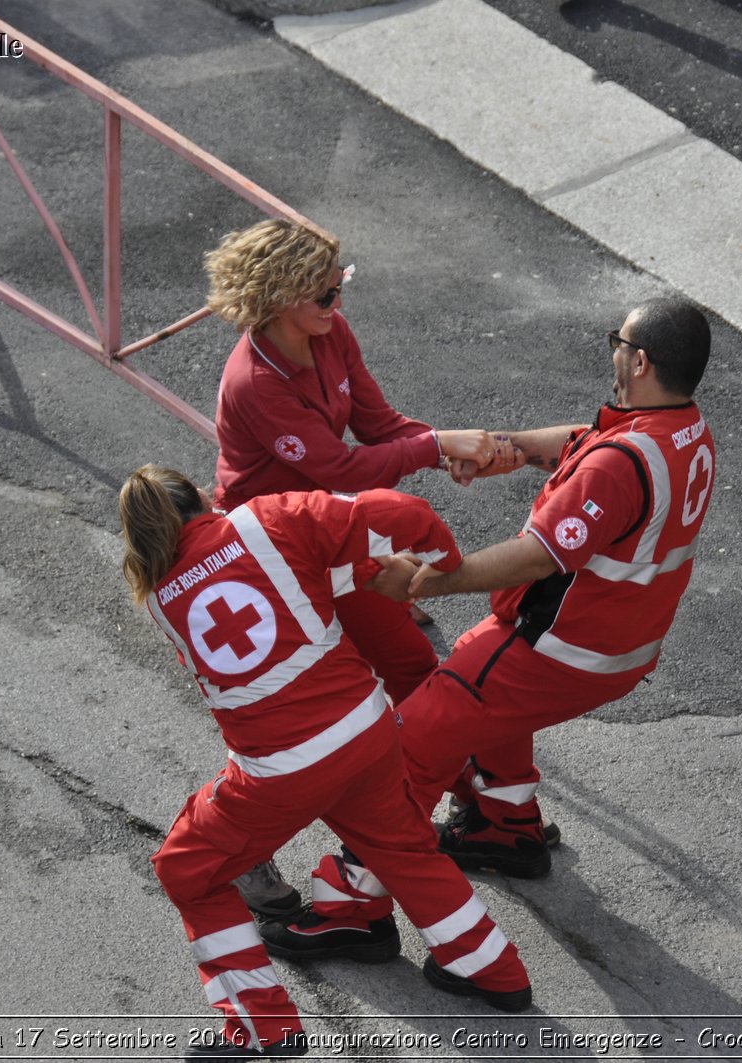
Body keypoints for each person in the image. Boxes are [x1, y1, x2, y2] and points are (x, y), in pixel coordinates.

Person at [292, 297, 716, 938]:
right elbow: (587, 440)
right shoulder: (683, 431)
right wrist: (506, 449)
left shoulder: (620, 465)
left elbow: (537, 557)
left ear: (638, 360)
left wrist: (426, 583)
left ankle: (352, 906)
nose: (612, 351)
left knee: (418, 734)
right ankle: (506, 826)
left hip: (561, 647)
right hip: (619, 647)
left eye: (616, 341)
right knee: (486, 691)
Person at [119, 465, 532, 1060]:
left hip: (281, 767)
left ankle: (264, 1031)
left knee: (186, 869)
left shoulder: (160, 596)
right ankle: (495, 972)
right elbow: (404, 513)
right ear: (205, 500)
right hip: (365, 729)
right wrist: (445, 565)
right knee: (402, 845)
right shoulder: (268, 518)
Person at [204, 218, 519, 915]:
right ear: (281, 293)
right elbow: (336, 465)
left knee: (411, 664)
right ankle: (239, 849)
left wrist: (444, 450)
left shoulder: (330, 334)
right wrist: (437, 444)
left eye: (339, 284)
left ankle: (476, 810)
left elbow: (378, 427)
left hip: (331, 538)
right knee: (295, 718)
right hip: (272, 564)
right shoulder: (254, 381)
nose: (336, 298)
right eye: (323, 289)